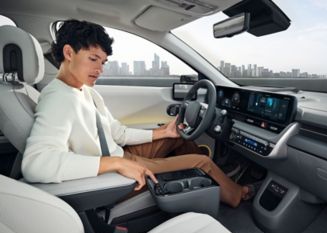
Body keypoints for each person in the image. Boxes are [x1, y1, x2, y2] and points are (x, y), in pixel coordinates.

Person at [22, 19, 251, 208]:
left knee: (177, 135)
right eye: (93, 59)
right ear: (69, 53)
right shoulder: (58, 99)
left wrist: (163, 132)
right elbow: (36, 163)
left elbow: (117, 132)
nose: (100, 69)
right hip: (113, 172)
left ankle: (210, 179)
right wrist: (114, 164)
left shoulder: (84, 91)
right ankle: (234, 193)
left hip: (118, 152)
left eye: (103, 62)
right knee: (202, 162)